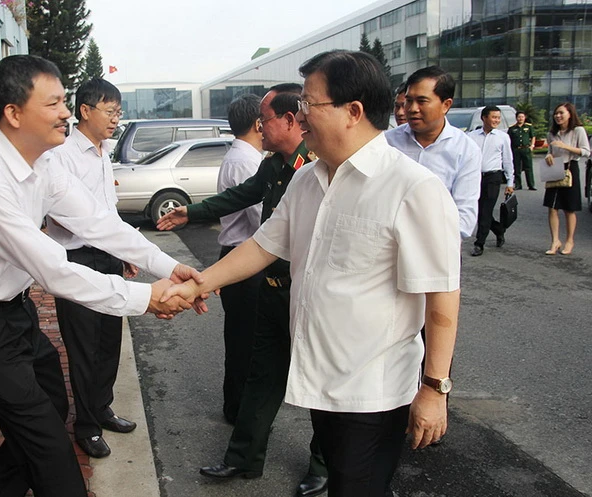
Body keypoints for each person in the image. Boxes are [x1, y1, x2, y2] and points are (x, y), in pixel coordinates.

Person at [162, 49, 461, 497]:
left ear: (353, 111)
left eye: (308, 103)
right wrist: (199, 284)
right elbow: (263, 245)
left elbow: (441, 293)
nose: (299, 116)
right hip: (323, 380)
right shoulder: (308, 178)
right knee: (341, 481)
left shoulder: (412, 189)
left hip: (373, 390)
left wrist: (435, 389)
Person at [0, 55, 200, 497]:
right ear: (14, 113)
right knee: (49, 447)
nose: (66, 114)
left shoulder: (43, 164)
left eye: (64, 102)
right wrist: (145, 298)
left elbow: (98, 222)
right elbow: (53, 269)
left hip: (15, 316)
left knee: (52, 407)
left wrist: (168, 266)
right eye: (53, 103)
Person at [157, 83, 329, 497]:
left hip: (307, 295)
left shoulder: (316, 167)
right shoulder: (274, 165)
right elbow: (241, 196)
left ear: (289, 120)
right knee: (261, 375)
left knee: (321, 381)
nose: (259, 126)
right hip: (270, 290)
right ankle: (243, 458)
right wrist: (191, 211)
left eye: (264, 119)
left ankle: (324, 465)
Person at [47, 78, 140, 459]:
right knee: (83, 348)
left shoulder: (102, 153)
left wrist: (124, 250)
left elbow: (108, 208)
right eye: (110, 111)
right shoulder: (61, 154)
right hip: (77, 260)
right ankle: (85, 426)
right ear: (85, 110)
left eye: (119, 112)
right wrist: (99, 232)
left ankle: (102, 408)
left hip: (107, 256)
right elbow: (59, 213)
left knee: (108, 342)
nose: (116, 119)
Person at [211, 93, 264, 424]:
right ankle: (239, 408)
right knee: (246, 340)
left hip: (241, 256)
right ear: (259, 123)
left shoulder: (242, 156)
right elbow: (262, 219)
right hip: (245, 259)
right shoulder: (246, 161)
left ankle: (238, 405)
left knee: (243, 337)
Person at [385, 66, 482, 240]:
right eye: (408, 101)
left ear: (446, 105)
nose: (412, 109)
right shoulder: (387, 143)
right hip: (388, 244)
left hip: (437, 245)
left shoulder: (465, 150)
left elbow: (465, 217)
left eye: (421, 101)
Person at [543, 102, 591, 256]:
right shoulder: (552, 133)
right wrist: (548, 155)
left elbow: (586, 152)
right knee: (552, 207)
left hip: (570, 167)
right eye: (556, 113)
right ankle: (555, 241)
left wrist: (565, 146)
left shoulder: (578, 130)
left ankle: (569, 240)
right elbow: (550, 151)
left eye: (561, 113)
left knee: (569, 208)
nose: (558, 116)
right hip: (554, 168)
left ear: (570, 114)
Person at [468, 106, 515, 257]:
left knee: (486, 210)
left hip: (493, 177)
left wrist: (510, 182)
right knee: (479, 210)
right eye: (493, 117)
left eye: (498, 117)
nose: (497, 120)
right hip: (475, 177)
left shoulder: (503, 137)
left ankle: (479, 243)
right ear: (484, 118)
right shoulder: (471, 136)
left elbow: (508, 160)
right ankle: (498, 229)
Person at [508, 110, 537, 190]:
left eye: (522, 117)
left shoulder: (528, 127)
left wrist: (532, 146)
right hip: (516, 150)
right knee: (517, 168)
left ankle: (531, 185)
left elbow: (533, 136)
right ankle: (518, 185)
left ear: (524, 118)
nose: (520, 118)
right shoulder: (512, 128)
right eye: (519, 117)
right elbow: (508, 139)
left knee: (529, 167)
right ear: (516, 118)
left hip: (526, 149)